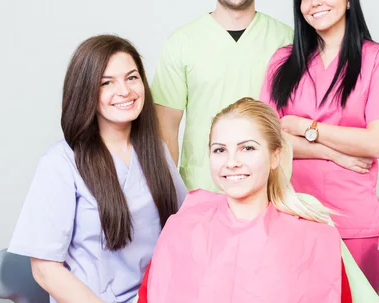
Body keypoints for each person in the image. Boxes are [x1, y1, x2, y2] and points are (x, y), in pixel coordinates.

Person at [260, 0, 379, 291]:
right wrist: (336, 154)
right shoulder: (282, 62)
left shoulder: (377, 60)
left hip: (352, 217)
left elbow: (376, 144)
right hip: (291, 211)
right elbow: (267, 142)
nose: (316, 2)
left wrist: (304, 126)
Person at [8, 35, 188, 303]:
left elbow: (184, 225)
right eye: (107, 82)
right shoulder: (61, 163)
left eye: (132, 77)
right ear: (86, 91)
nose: (125, 91)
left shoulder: (155, 151)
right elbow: (45, 269)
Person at [137, 97, 352, 303]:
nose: (231, 162)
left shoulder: (313, 239)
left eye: (247, 148)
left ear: (275, 156)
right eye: (220, 150)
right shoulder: (181, 229)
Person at [151, 0, 293, 192]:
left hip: (271, 193)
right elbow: (165, 131)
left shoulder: (288, 41)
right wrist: (171, 197)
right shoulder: (181, 42)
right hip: (201, 191)